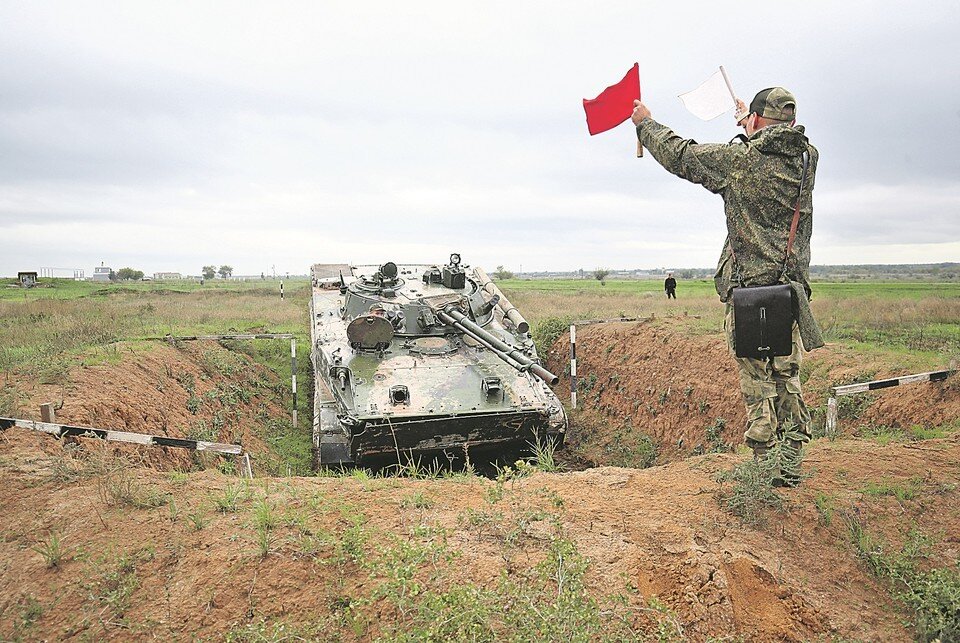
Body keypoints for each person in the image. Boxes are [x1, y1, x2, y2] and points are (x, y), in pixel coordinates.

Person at [631, 87, 823, 485]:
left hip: (751, 296)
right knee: (787, 376)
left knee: (758, 382)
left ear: (754, 122)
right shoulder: (807, 157)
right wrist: (749, 125)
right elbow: (775, 143)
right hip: (789, 293)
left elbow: (682, 156)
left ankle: (766, 467)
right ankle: (791, 462)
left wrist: (645, 125)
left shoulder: (739, 162)